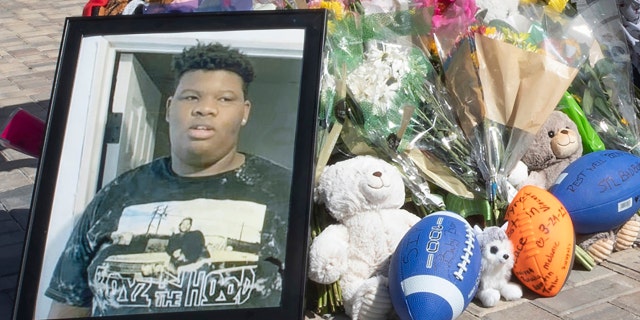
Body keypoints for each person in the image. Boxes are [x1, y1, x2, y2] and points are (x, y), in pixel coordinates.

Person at [45, 43, 291, 317]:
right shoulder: (116, 194)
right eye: (190, 97)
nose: (205, 109)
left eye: (224, 99)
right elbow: (67, 305)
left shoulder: (286, 192)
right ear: (170, 107)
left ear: (244, 112)